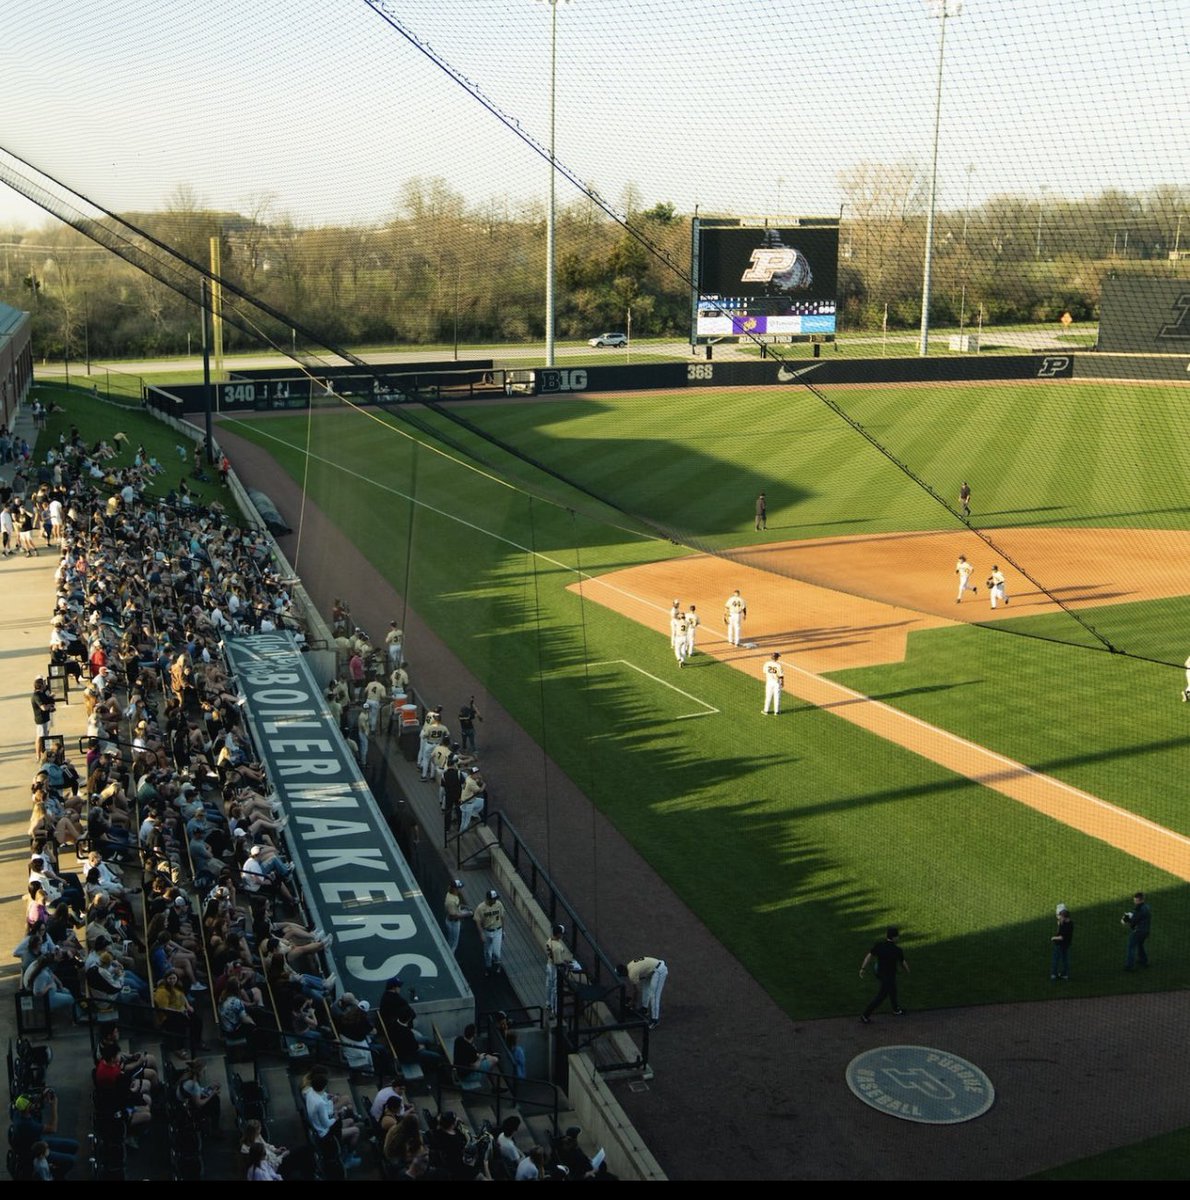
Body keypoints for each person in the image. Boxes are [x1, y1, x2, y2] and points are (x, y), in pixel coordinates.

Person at [859, 925, 909, 1023]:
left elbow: (868, 956)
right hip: (889, 976)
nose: (898, 938)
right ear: (894, 937)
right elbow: (903, 963)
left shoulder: (879, 945)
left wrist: (862, 968)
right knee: (881, 996)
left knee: (893, 989)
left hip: (879, 972)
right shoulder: (897, 950)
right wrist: (908, 971)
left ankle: (896, 1009)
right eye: (897, 936)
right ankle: (865, 1015)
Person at [617, 956, 668, 1029]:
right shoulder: (629, 966)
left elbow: (636, 991)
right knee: (645, 987)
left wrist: (632, 1003)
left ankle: (655, 1020)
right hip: (652, 970)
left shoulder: (632, 974)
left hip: (660, 970)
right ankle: (644, 1009)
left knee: (654, 995)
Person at [474, 888, 505, 977]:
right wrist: (481, 934)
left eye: (495, 898)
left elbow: (503, 916)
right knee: (487, 952)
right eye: (493, 899)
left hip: (497, 930)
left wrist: (503, 930)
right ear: (488, 899)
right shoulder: (481, 907)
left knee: (496, 952)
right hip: (487, 931)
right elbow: (477, 921)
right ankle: (488, 968)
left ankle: (498, 965)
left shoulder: (498, 904)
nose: (495, 900)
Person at [544, 922, 572, 1014]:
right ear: (559, 934)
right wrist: (567, 964)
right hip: (554, 968)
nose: (563, 935)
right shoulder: (558, 947)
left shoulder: (549, 940)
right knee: (555, 989)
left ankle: (548, 1003)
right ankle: (554, 1009)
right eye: (562, 934)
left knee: (549, 985)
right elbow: (558, 962)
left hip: (548, 965)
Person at [1123, 891, 1151, 970]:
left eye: (1135, 900)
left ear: (1139, 900)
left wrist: (1127, 920)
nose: (1134, 902)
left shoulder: (1138, 909)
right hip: (1146, 931)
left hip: (1138, 932)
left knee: (1131, 947)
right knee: (1140, 945)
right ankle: (1144, 961)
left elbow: (1133, 923)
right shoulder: (1147, 907)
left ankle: (1129, 965)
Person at [443, 878, 470, 955]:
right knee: (453, 944)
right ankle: (450, 958)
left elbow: (457, 906)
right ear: (455, 889)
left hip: (454, 918)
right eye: (459, 888)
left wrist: (464, 907)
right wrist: (466, 914)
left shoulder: (451, 894)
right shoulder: (451, 901)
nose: (460, 889)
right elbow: (453, 916)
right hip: (453, 923)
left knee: (451, 941)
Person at [1050, 903, 1074, 981]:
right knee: (1065, 959)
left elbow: (1061, 937)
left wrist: (1053, 938)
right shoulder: (1070, 923)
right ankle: (1065, 974)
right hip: (1067, 944)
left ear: (1063, 915)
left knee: (1055, 959)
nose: (1058, 917)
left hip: (1060, 944)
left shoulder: (1065, 926)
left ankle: (1053, 974)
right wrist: (1060, 923)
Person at [762, 651, 784, 715]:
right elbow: (781, 676)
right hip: (776, 683)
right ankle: (776, 711)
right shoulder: (778, 665)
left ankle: (766, 711)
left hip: (769, 682)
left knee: (768, 696)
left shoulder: (767, 664)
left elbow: (765, 672)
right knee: (777, 697)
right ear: (777, 658)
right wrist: (782, 683)